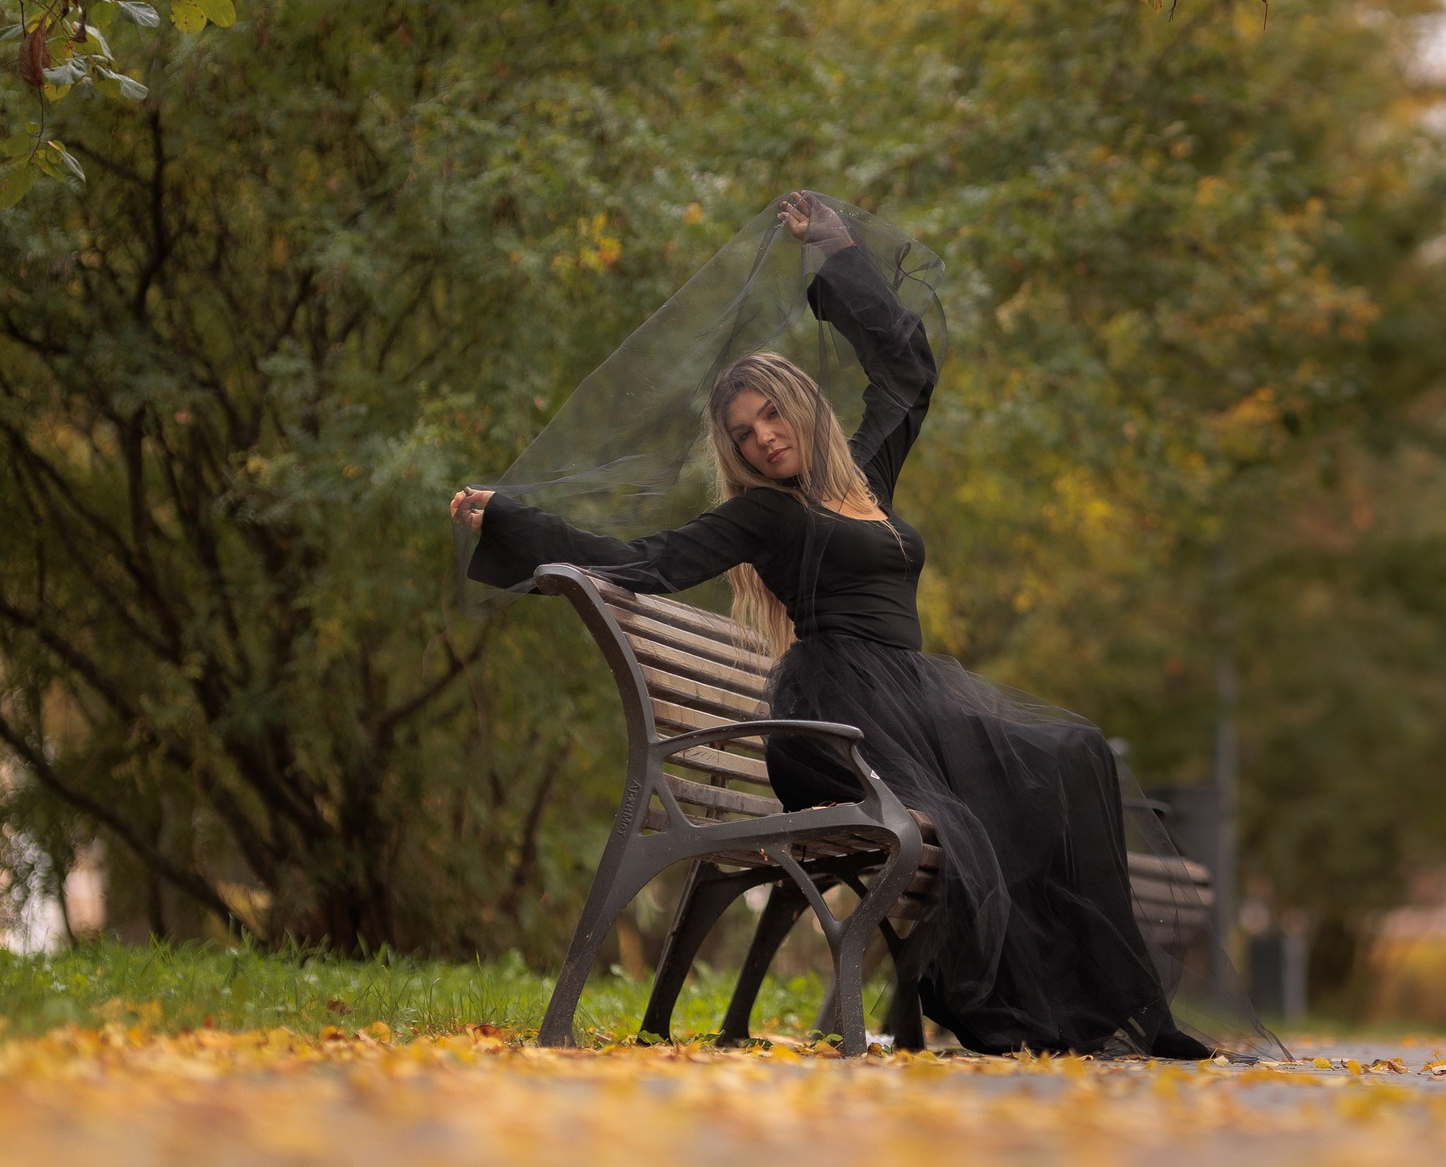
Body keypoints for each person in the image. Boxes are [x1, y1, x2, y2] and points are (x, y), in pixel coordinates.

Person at [452, 191, 1211, 1060]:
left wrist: (841, 253)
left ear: (802, 407)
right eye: (744, 434)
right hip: (841, 716)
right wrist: (510, 521)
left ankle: (1107, 1010)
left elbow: (908, 374)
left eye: (772, 415)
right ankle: (1024, 1008)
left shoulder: (865, 483)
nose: (763, 439)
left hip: (912, 702)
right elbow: (647, 562)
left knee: (1073, 754)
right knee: (991, 804)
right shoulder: (768, 516)